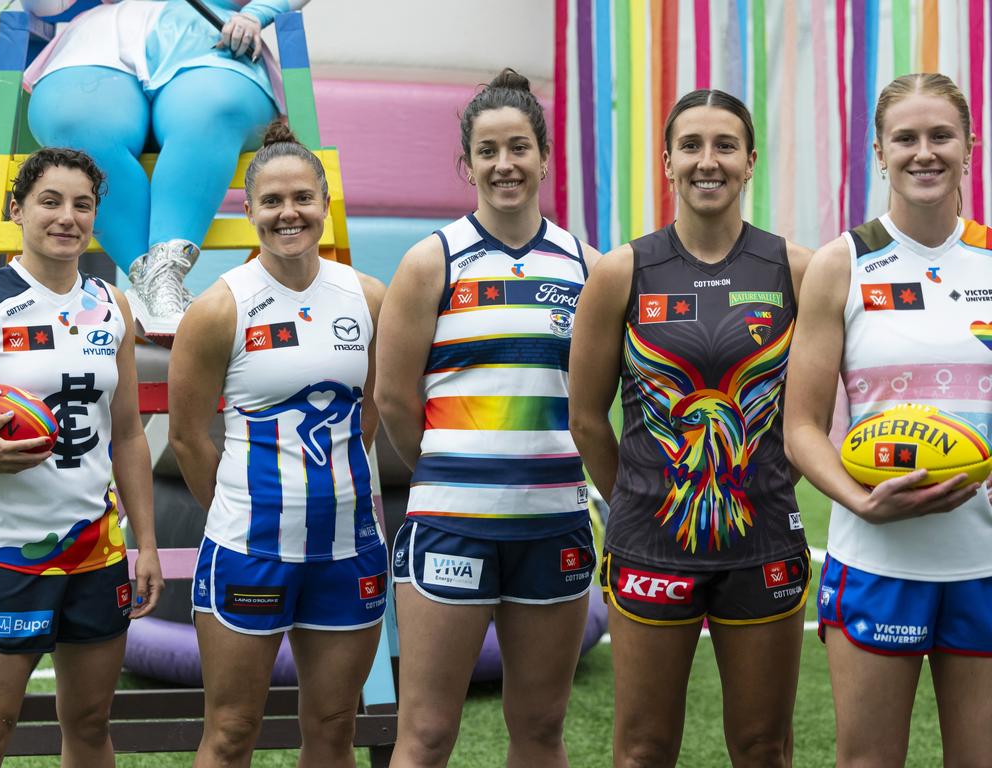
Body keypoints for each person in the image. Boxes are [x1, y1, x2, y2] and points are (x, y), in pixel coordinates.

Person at [569, 89, 813, 767]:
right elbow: (587, 418)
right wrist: (638, 498)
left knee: (764, 748)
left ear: (750, 162)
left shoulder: (797, 270)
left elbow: (816, 414)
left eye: (725, 146)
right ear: (669, 163)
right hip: (650, 544)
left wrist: (763, 477)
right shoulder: (621, 271)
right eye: (692, 146)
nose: (709, 161)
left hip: (763, 542)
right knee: (644, 749)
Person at [376, 68, 601, 768]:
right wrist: (452, 473)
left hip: (555, 526)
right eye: (488, 151)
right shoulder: (430, 262)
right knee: (428, 734)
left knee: (539, 728)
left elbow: (593, 401)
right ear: (465, 164)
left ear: (542, 155)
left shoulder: (589, 266)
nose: (505, 165)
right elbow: (391, 397)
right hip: (451, 526)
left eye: (519, 148)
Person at [784, 72, 992, 766]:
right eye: (906, 137)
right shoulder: (842, 263)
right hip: (877, 560)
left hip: (986, 561)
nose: (923, 152)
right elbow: (802, 426)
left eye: (942, 136)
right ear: (880, 150)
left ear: (971, 146)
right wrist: (858, 502)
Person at [168, 121, 387, 768]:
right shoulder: (217, 309)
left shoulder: (368, 297)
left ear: (324, 204)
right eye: (271, 201)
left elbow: (370, 417)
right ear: (248, 209)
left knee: (332, 729)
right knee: (232, 731)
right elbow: (185, 438)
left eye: (302, 199)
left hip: (349, 552)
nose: (288, 213)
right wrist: (244, 511)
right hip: (248, 550)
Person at [0, 147, 163, 767]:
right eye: (50, 201)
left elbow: (128, 433)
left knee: (88, 722)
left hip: (96, 550)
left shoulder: (112, 303)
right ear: (17, 209)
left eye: (82, 204)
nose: (67, 217)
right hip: (4, 551)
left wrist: (147, 545)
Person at [21, 0, 311, 344]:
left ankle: (162, 277)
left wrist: (259, 11)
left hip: (213, 35)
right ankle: (155, 283)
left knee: (212, 108)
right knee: (76, 119)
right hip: (100, 42)